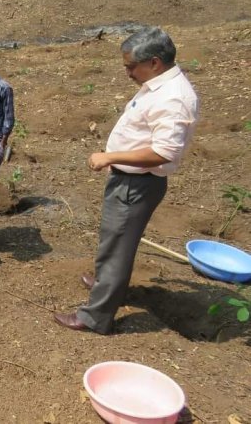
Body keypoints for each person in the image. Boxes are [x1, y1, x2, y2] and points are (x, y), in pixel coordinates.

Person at [53, 27, 199, 334]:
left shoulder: (173, 98)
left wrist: (110, 157)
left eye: (131, 66)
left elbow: (164, 151)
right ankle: (108, 285)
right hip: (131, 182)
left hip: (137, 184)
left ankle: (95, 317)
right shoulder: (157, 85)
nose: (127, 72)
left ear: (155, 62)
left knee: (118, 245)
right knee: (114, 242)